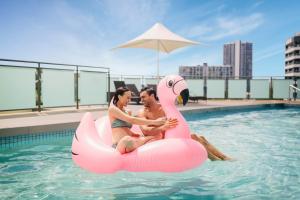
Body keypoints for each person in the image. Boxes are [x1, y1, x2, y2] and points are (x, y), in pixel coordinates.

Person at [138, 87, 232, 161]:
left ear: (152, 96)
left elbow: (177, 122)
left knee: (199, 137)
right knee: (193, 137)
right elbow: (145, 131)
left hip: (170, 137)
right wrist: (163, 127)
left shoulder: (164, 108)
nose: (141, 100)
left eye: (143, 97)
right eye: (141, 97)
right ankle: (215, 159)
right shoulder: (142, 112)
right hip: (159, 141)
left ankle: (223, 157)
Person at [108, 87, 178, 154]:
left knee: (155, 137)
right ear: (120, 97)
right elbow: (132, 120)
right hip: (120, 144)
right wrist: (156, 122)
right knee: (127, 140)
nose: (129, 100)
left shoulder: (128, 111)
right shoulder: (112, 109)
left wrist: (134, 134)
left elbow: (125, 128)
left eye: (130, 98)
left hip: (131, 143)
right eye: (128, 98)